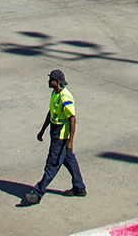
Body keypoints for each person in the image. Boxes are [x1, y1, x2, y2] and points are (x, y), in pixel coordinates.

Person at [24, 68, 85, 204]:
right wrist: (42, 130)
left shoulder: (65, 97)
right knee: (69, 160)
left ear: (57, 82)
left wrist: (70, 141)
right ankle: (79, 187)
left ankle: (38, 192)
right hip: (54, 131)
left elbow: (72, 119)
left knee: (52, 164)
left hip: (61, 136)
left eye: (50, 80)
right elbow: (51, 113)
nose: (48, 81)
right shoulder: (54, 93)